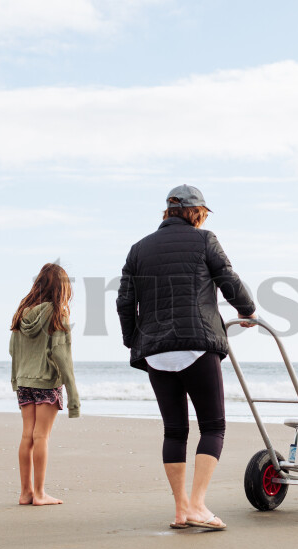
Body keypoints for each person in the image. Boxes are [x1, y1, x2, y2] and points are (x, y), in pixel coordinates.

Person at [116, 184, 256, 530]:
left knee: (175, 430)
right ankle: (197, 505)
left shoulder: (138, 249)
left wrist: (134, 339)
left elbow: (123, 302)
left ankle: (181, 510)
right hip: (197, 345)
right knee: (212, 426)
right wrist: (248, 310)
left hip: (156, 353)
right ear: (195, 212)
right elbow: (229, 280)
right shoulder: (205, 240)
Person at [9, 263, 80, 506]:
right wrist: (73, 393)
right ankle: (39, 494)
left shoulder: (22, 312)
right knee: (42, 437)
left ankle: (25, 493)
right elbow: (62, 356)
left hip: (24, 381)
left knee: (27, 435)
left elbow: (13, 350)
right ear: (61, 288)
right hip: (47, 382)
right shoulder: (57, 312)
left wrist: (16, 380)